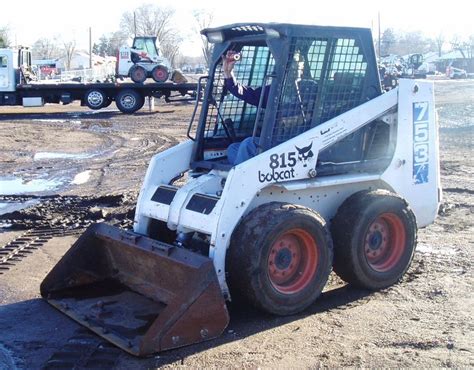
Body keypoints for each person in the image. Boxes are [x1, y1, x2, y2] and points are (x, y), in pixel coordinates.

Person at [221, 50, 271, 165]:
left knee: (249, 144)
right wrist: (228, 74)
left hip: (293, 139)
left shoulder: (309, 89)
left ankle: (240, 181)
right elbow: (248, 93)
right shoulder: (274, 90)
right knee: (233, 148)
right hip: (273, 138)